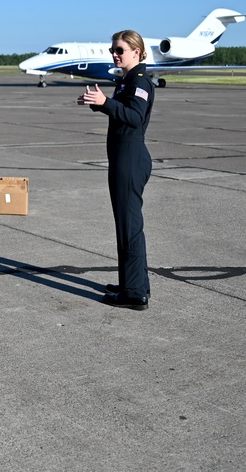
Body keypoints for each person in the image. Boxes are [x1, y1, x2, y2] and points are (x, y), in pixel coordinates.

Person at [77, 30, 155, 311]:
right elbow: (122, 110)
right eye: (113, 50)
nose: (115, 54)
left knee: (130, 226)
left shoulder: (140, 81)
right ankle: (133, 282)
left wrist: (106, 104)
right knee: (126, 225)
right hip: (123, 159)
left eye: (120, 50)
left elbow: (135, 116)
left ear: (136, 51)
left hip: (131, 161)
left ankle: (134, 293)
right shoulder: (126, 81)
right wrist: (100, 106)